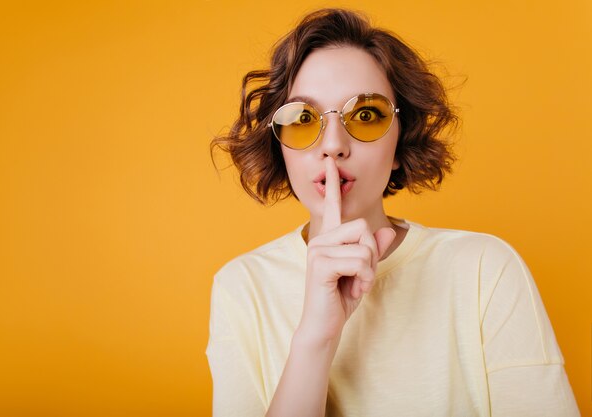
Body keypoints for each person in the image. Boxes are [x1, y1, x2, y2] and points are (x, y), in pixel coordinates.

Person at [206, 8, 580, 417]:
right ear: (279, 142)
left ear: (401, 143)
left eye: (365, 115)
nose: (333, 145)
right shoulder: (242, 287)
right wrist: (316, 336)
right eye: (303, 118)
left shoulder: (484, 270)